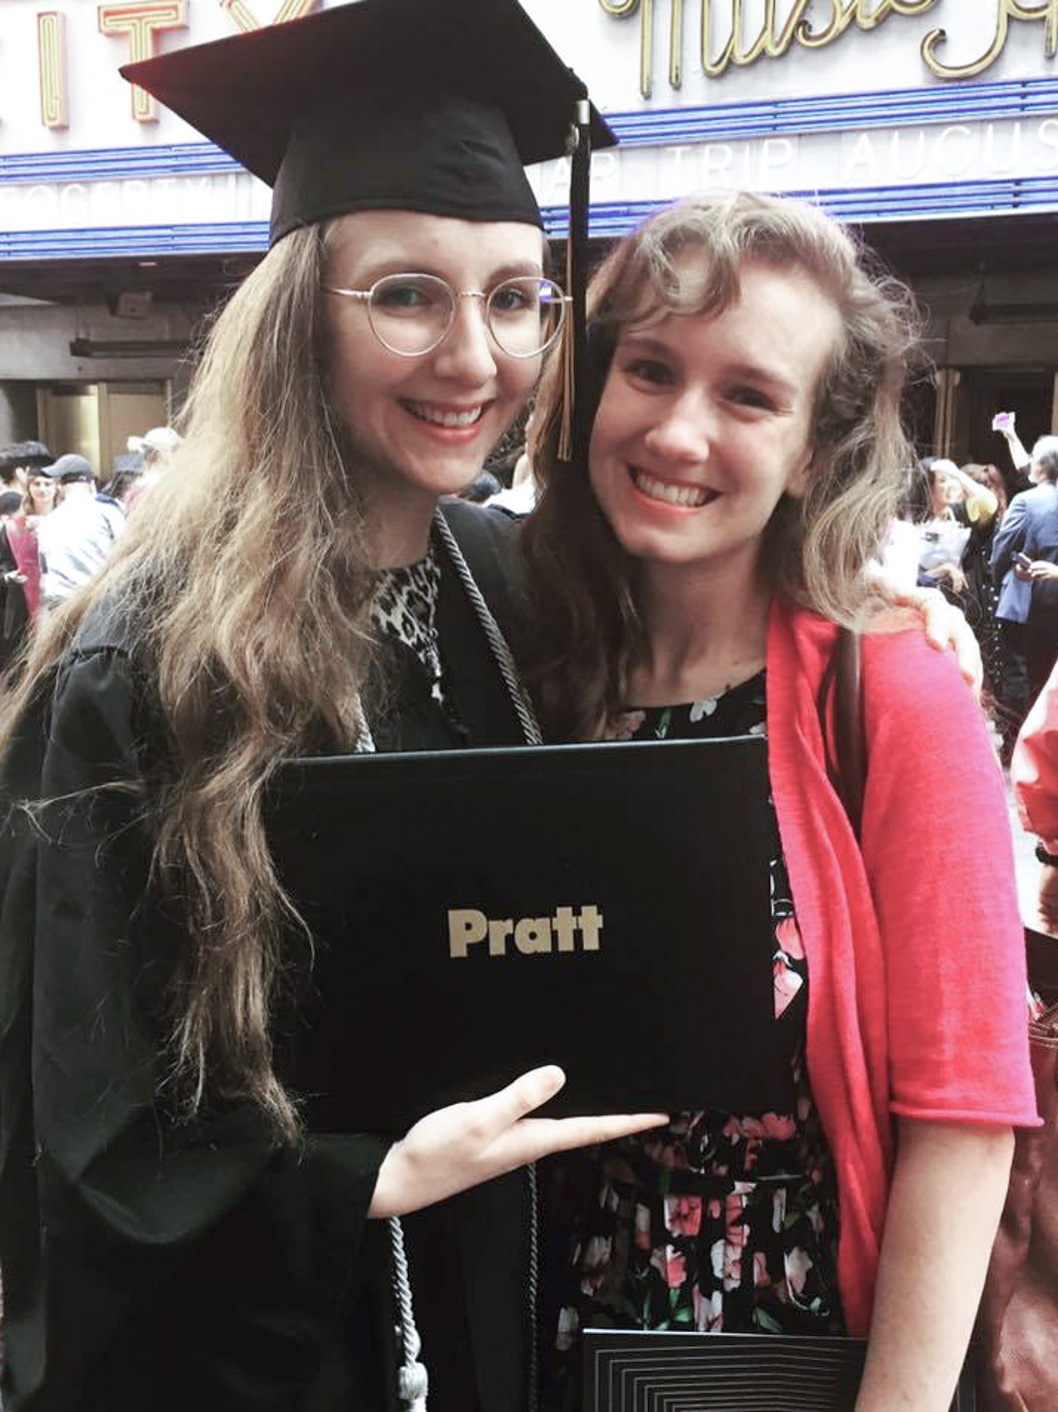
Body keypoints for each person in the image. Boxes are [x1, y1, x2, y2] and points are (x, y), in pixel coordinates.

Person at [0, 5, 663, 1411]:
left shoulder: (503, 581)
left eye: (511, 295)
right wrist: (376, 1179)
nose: (476, 358)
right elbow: (92, 1115)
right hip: (266, 1350)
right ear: (301, 309)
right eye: (409, 293)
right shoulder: (152, 655)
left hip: (497, 1278)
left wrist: (845, 615)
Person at [517, 191, 1037, 1412]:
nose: (678, 431)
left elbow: (962, 1120)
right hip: (530, 1332)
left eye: (747, 394)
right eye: (647, 368)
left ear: (812, 445)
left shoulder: (891, 697)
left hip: (786, 1347)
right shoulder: (533, 673)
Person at [990, 434, 1058, 750]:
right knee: (1048, 678)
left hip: (1026, 600)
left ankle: (1015, 743)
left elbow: (1003, 547)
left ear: (1041, 466)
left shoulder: (1026, 501)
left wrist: (999, 574)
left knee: (1017, 674)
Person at [35, 452, 126, 608]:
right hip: (97, 602)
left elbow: (44, 567)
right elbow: (125, 552)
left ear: (60, 485)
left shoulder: (48, 521)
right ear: (91, 482)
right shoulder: (108, 511)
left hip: (59, 605)